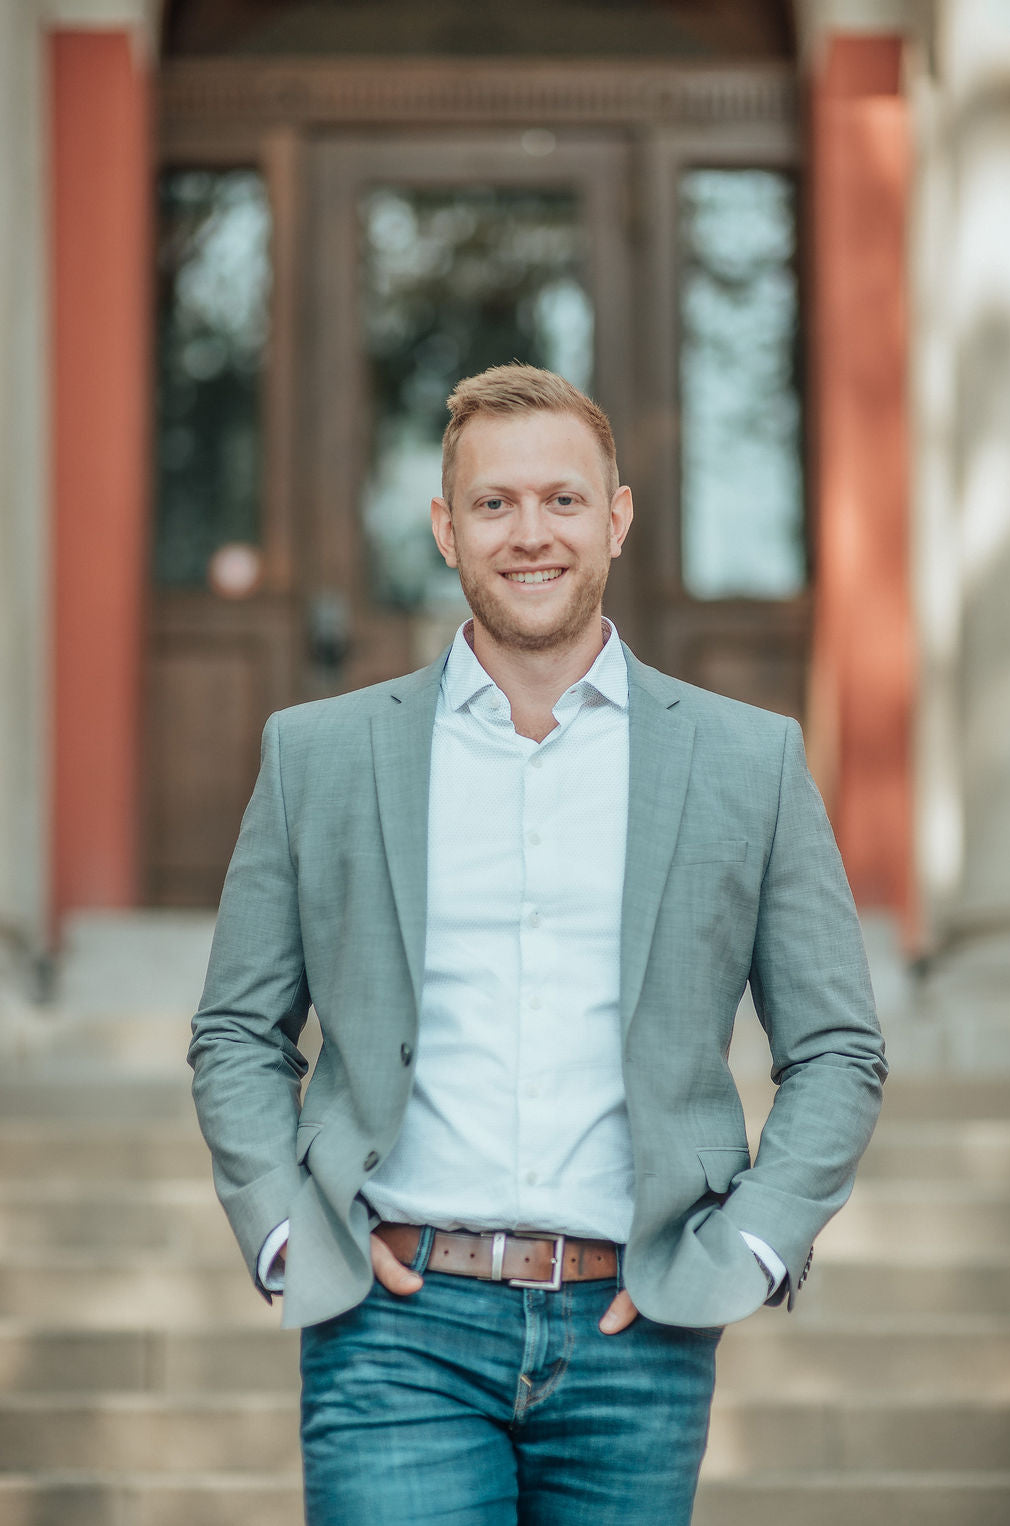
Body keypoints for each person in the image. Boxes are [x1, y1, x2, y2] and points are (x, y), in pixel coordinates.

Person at [189, 364, 886, 1526]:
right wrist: (284, 1232)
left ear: (615, 518)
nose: (529, 534)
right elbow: (235, 1030)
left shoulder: (745, 760)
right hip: (392, 1326)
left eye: (562, 500)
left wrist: (751, 1247)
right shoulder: (318, 753)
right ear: (444, 528)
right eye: (494, 503)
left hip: (638, 1331)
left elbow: (837, 1049)